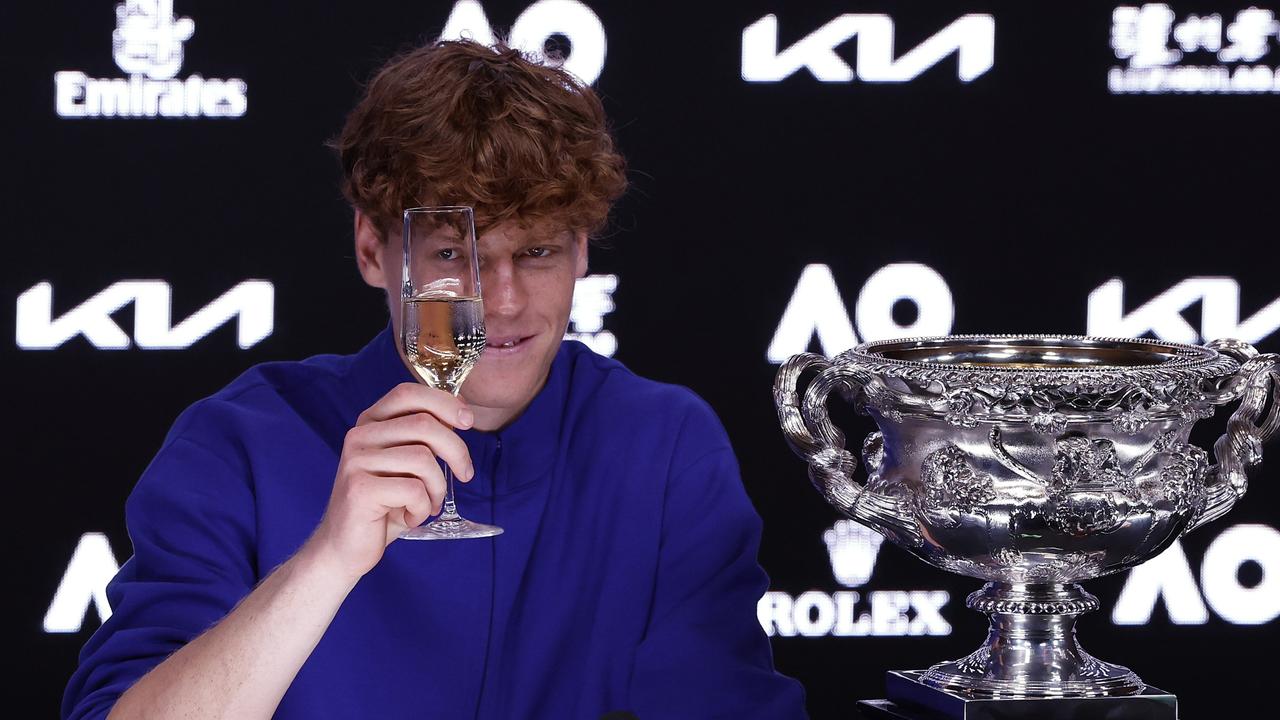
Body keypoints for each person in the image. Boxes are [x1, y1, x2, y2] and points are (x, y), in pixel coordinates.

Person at [62, 39, 807, 719]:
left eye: (538, 252)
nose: (504, 302)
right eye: (456, 257)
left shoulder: (664, 445)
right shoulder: (238, 443)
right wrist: (326, 561)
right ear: (370, 249)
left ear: (582, 251)